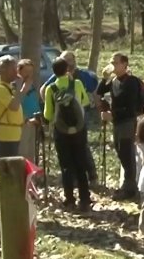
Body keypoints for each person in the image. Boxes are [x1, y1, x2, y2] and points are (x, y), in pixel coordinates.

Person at [40, 51, 99, 182]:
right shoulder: (56, 78)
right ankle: (72, 178)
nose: (68, 63)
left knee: (83, 147)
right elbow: (43, 89)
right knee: (67, 149)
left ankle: (91, 174)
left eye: (69, 60)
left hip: (81, 117)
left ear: (74, 61)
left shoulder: (83, 76)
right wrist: (53, 107)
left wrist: (98, 108)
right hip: (61, 120)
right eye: (64, 60)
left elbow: (94, 91)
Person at [96, 52, 144, 201]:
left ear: (124, 64)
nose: (113, 65)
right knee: (120, 151)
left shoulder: (131, 82)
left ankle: (131, 188)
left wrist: (112, 115)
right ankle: (128, 185)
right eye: (112, 62)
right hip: (117, 122)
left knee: (127, 153)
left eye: (116, 62)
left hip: (128, 121)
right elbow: (99, 92)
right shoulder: (114, 81)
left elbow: (130, 107)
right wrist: (105, 77)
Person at [44, 57, 91, 211]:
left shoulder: (51, 89)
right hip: (79, 129)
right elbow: (84, 102)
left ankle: (69, 198)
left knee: (66, 165)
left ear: (54, 72)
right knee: (80, 163)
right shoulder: (76, 84)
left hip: (61, 131)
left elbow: (48, 114)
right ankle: (84, 199)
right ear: (67, 70)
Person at [0, 55, 26, 168]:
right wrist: (21, 87)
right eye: (13, 69)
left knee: (12, 170)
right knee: (7, 171)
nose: (16, 73)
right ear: (3, 70)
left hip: (12, 135)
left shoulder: (8, 86)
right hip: (4, 136)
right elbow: (14, 106)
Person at [16, 59, 41, 159]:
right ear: (19, 71)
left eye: (31, 72)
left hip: (34, 121)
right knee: (23, 152)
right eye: (26, 71)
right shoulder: (17, 85)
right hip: (23, 122)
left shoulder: (32, 85)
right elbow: (16, 103)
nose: (29, 74)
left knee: (31, 153)